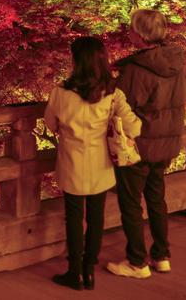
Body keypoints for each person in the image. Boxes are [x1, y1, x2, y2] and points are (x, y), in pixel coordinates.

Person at [45, 36, 141, 291]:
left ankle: (74, 271)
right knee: (96, 218)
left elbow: (50, 124)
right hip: (100, 164)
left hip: (71, 162)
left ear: (76, 61)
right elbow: (135, 127)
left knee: (74, 217)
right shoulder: (112, 94)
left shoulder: (60, 94)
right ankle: (89, 271)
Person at [107, 9, 186, 279]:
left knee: (131, 202)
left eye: (131, 29)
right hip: (166, 140)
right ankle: (161, 255)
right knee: (156, 198)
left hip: (139, 144)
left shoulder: (136, 69)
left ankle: (137, 262)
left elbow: (124, 108)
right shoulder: (175, 62)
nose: (128, 32)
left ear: (140, 35)